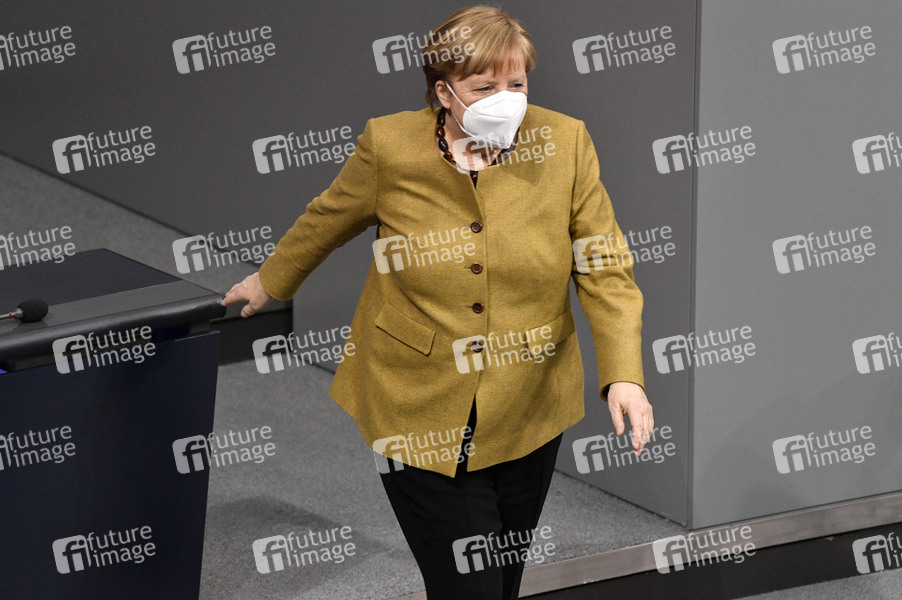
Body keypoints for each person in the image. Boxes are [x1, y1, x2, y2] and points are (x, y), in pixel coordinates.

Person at [222, 5, 653, 599]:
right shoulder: (390, 146)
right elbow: (327, 219)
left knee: (501, 578)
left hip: (528, 402)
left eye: (517, 83)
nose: (507, 100)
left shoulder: (565, 143)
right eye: (485, 87)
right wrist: (270, 281)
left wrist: (624, 374)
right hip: (416, 401)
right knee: (468, 587)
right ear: (443, 93)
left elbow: (605, 267)